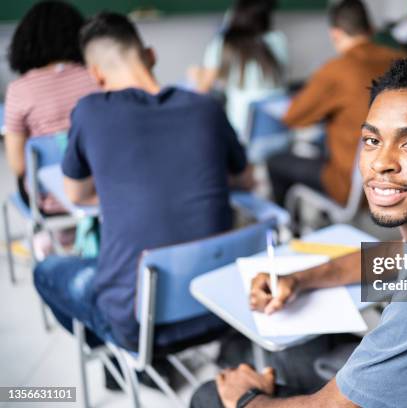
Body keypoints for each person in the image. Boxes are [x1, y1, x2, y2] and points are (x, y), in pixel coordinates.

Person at [190, 55, 407, 408]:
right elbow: (404, 255)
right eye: (372, 140)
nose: (380, 162)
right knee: (278, 348)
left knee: (210, 396)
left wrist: (246, 398)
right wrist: (303, 279)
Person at [33, 12, 251, 352]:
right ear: (151, 56)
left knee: (46, 270)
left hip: (139, 326)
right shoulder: (206, 107)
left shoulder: (90, 112)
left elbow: (77, 193)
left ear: (96, 75)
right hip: (221, 309)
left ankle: (113, 352)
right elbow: (244, 178)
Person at [267, 0, 405, 206]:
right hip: (400, 174)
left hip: (354, 184)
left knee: (276, 162)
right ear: (370, 29)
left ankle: (289, 232)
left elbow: (292, 116)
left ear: (335, 34)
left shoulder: (337, 70)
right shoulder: (402, 59)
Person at [4, 0, 98, 210]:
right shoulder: (96, 76)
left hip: (48, 202)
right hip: (101, 193)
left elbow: (18, 165)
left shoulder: (19, 89)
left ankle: (52, 239)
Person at [188, 0, 287, 142]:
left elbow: (202, 88)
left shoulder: (223, 44)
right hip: (278, 129)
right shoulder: (279, 40)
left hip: (243, 132)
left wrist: (197, 75)